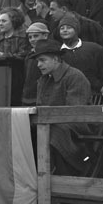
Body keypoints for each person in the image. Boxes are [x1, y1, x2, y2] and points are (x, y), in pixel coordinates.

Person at [32, 41, 93, 174]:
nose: (38, 65)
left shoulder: (75, 77)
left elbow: (74, 112)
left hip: (76, 127)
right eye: (37, 61)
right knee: (23, 128)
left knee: (54, 131)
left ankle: (61, 174)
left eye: (42, 60)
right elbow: (40, 107)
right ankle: (35, 174)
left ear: (56, 59)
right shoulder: (43, 80)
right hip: (51, 123)